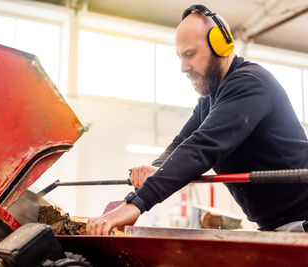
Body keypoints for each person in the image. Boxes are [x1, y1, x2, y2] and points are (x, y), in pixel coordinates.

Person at [86, 4, 308, 235]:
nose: (183, 67)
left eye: (189, 54)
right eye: (180, 57)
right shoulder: (211, 98)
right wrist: (157, 167)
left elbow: (202, 146)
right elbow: (183, 142)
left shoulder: (250, 84)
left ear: (220, 46)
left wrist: (136, 204)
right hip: (278, 226)